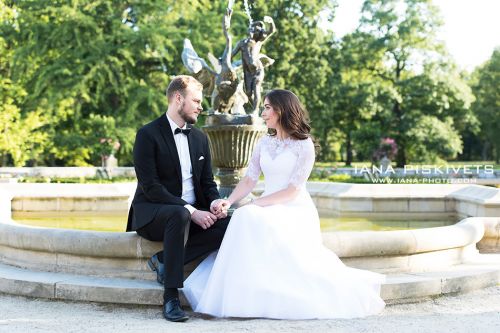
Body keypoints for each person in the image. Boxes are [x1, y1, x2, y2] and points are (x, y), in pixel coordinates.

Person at [182, 89, 386, 319]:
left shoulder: (304, 145)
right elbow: (249, 179)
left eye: (267, 107)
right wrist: (227, 201)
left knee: (247, 215)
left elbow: (292, 190)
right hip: (269, 205)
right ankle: (245, 290)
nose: (263, 112)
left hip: (294, 209)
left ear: (281, 110)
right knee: (241, 215)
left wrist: (256, 203)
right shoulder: (263, 143)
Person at [126, 75, 231, 322]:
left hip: (190, 214)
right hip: (155, 213)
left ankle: (163, 259)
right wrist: (192, 210)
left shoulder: (200, 138)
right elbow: (151, 188)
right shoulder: (147, 134)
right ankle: (171, 297)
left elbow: (207, 183)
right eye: (196, 100)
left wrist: (215, 202)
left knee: (235, 222)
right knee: (179, 213)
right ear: (177, 98)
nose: (200, 106)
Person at [231, 16, 276, 115]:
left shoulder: (258, 42)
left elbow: (272, 30)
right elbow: (232, 54)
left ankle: (255, 111)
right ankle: (257, 108)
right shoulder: (242, 43)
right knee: (248, 93)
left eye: (256, 31)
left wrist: (271, 21)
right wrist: (224, 60)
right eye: (253, 30)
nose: (253, 32)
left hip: (257, 70)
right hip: (247, 72)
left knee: (256, 87)